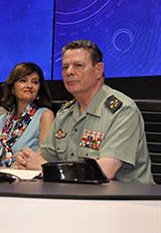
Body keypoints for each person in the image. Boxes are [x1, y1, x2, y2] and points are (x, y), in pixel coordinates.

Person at [15, 40, 154, 184]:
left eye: (78, 65)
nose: (69, 72)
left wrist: (45, 169)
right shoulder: (65, 114)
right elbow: (44, 156)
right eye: (65, 67)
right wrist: (25, 160)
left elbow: (105, 171)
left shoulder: (122, 110)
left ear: (98, 70)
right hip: (77, 197)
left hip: (126, 201)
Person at [0, 63, 54, 167]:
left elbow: (44, 158)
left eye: (35, 82)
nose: (29, 86)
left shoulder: (45, 115)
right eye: (23, 80)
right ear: (12, 88)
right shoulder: (1, 120)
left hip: (26, 179)